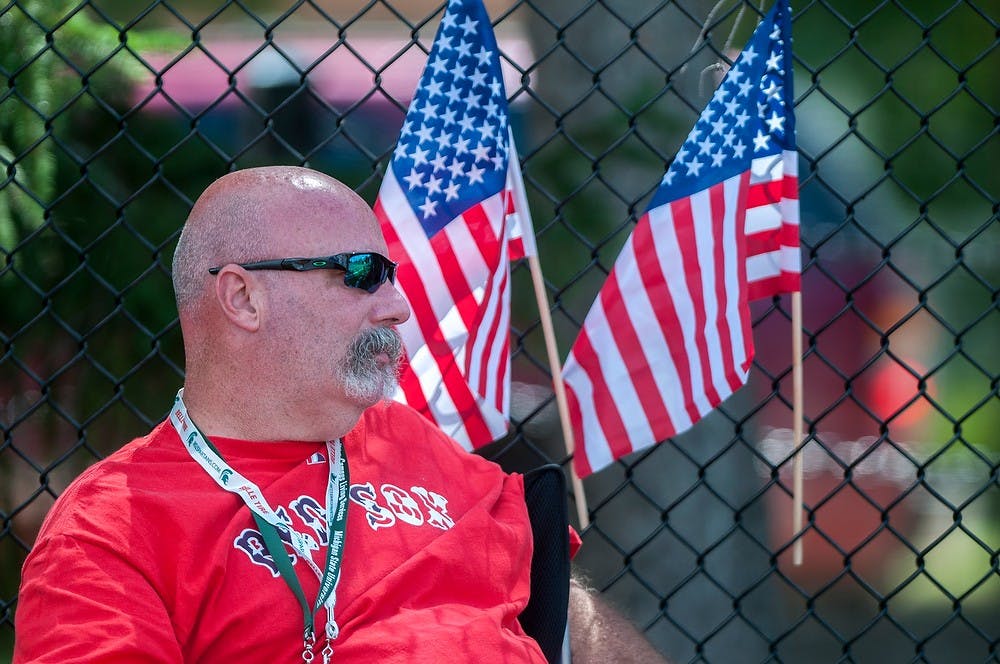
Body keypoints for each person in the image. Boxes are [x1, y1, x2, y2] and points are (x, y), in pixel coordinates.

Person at [14, 166, 666, 663]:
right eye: (360, 273)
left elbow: (566, 609)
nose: (397, 307)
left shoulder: (415, 443)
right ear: (242, 296)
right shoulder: (112, 527)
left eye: (391, 274)